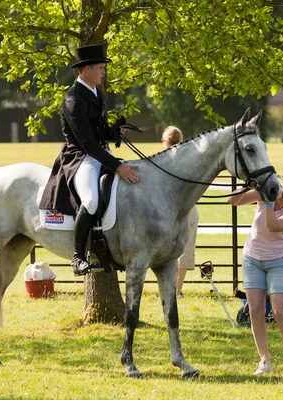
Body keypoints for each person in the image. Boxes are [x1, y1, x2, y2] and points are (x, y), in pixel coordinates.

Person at [39, 44, 139, 276]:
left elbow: (97, 131)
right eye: (101, 68)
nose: (104, 72)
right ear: (86, 69)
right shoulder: (74, 99)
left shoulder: (95, 92)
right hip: (80, 158)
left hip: (98, 153)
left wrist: (113, 132)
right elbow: (86, 142)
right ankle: (78, 256)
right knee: (92, 201)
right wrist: (117, 166)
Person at [228, 176, 283, 376]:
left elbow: (272, 226)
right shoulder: (266, 192)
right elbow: (232, 201)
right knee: (255, 311)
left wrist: (267, 201)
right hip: (252, 259)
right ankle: (264, 360)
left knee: (279, 311)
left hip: (279, 262)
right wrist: (246, 186)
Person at [161, 126, 199, 297]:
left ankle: (168, 287)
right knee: (186, 247)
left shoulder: (161, 160)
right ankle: (177, 289)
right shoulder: (190, 158)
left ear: (166, 142)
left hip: (166, 208)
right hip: (189, 207)